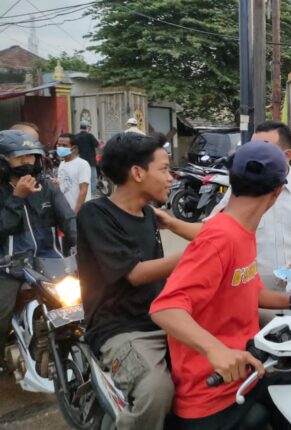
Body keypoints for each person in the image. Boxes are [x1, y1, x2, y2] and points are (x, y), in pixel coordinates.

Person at [150, 141, 291, 429]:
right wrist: (215, 350)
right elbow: (166, 308)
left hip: (249, 374)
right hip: (210, 393)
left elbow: (251, 291)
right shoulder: (220, 237)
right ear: (277, 192)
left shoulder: (242, 230)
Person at [159, 121, 291, 302]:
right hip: (252, 298)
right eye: (251, 149)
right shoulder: (240, 191)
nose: (254, 156)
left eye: (263, 150)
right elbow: (210, 232)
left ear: (286, 156)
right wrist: (172, 224)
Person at [77, 133, 179, 430]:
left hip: (160, 316)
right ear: (137, 172)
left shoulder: (148, 213)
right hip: (119, 328)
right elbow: (135, 273)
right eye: (164, 169)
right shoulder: (95, 213)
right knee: (156, 391)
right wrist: (196, 254)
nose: (171, 178)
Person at [0, 129, 76, 366]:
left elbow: (70, 221)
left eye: (30, 156)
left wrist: (84, 247)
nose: (26, 162)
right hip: (9, 268)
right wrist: (17, 197)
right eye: (19, 157)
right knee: (1, 314)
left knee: (84, 304)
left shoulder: (48, 187)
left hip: (50, 263)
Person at [56, 133, 91, 213]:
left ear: (74, 148)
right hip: (66, 211)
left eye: (64, 145)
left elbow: (83, 190)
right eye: (59, 145)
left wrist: (76, 212)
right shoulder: (62, 164)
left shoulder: (82, 164)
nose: (60, 148)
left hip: (80, 212)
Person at [74, 120, 99, 198]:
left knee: (81, 177)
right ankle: (93, 193)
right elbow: (97, 144)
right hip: (90, 161)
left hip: (79, 160)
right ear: (87, 127)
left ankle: (83, 192)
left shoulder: (76, 136)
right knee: (92, 177)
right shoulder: (90, 136)